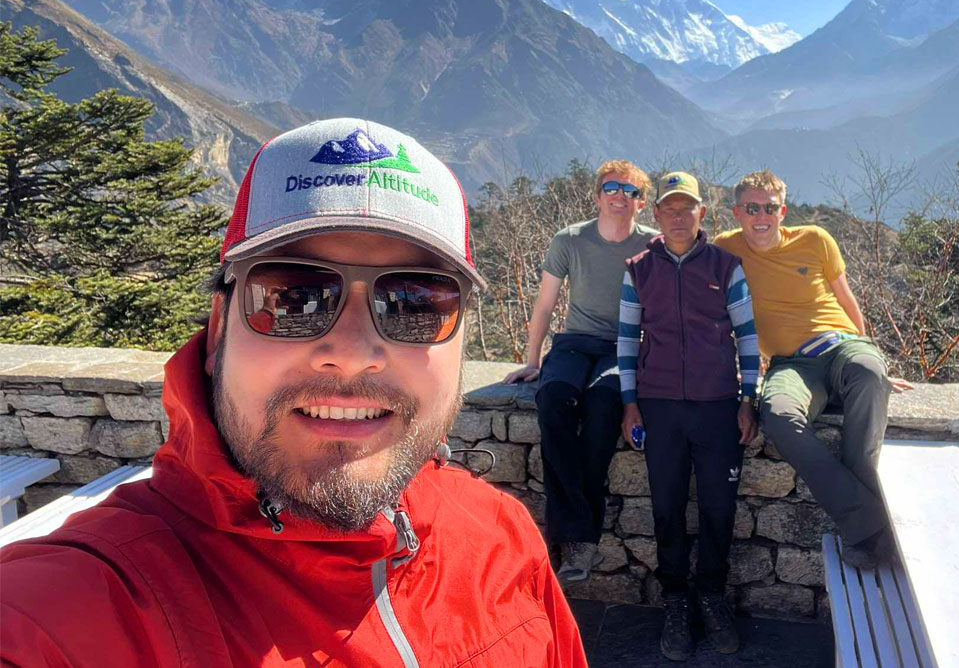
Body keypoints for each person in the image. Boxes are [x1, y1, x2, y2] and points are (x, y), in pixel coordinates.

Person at [0, 118, 587, 668]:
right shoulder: (65, 612)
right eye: (292, 297)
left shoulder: (503, 536)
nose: (353, 352)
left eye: (415, 303)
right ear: (217, 333)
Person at [714, 169, 913, 570]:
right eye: (751, 208)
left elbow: (847, 299)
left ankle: (864, 533)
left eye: (769, 208)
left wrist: (871, 361)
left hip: (841, 346)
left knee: (869, 376)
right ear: (737, 212)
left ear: (782, 211)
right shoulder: (724, 249)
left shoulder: (816, 240)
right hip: (791, 363)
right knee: (779, 414)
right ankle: (872, 520)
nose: (761, 216)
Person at [617, 171, 760, 661]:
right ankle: (677, 599)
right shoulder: (639, 269)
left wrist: (748, 399)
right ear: (657, 214)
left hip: (718, 405)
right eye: (670, 209)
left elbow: (747, 337)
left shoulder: (726, 265)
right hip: (658, 407)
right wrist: (630, 402)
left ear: (703, 213)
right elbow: (626, 340)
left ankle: (712, 596)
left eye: (688, 208)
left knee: (719, 509)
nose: (679, 217)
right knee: (667, 507)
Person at [503, 160, 655, 583]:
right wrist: (533, 361)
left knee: (604, 404)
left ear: (641, 203)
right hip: (574, 342)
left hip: (623, 346)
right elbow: (545, 305)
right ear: (597, 195)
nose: (620, 196)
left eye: (631, 191)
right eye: (612, 187)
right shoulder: (570, 239)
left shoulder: (652, 246)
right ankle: (579, 536)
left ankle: (574, 540)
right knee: (554, 399)